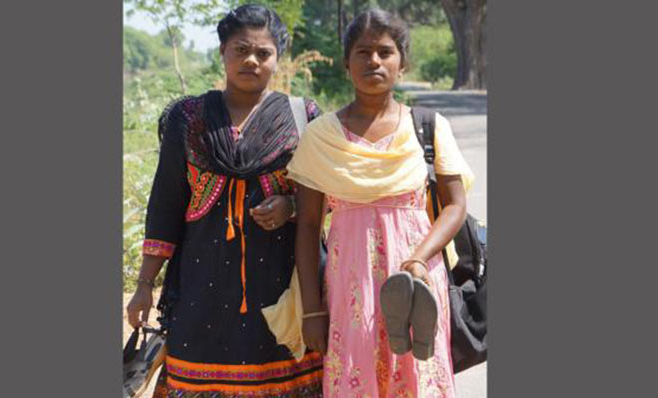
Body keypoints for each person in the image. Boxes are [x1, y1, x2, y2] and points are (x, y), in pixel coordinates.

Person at [125, 4, 324, 397]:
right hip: (201, 286)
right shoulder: (189, 118)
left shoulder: (303, 117)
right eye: (240, 50)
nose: (251, 60)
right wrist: (145, 284)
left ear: (277, 58)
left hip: (282, 285)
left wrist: (291, 207)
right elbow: (165, 206)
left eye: (263, 53)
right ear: (222, 52)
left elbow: (330, 198)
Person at [287, 9, 475, 398]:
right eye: (363, 52)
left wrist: (420, 257)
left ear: (402, 64)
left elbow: (455, 206)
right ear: (346, 63)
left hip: (418, 281)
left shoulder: (428, 127)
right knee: (357, 380)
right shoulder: (321, 136)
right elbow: (307, 225)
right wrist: (311, 311)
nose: (374, 60)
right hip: (349, 287)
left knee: (418, 377)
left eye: (386, 52)